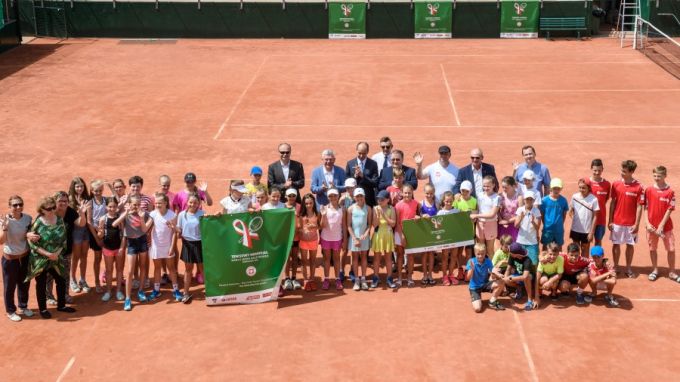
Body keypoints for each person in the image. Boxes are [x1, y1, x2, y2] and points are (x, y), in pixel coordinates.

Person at [28, 196, 76, 319]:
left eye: (53, 207)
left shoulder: (59, 220)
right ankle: (43, 309)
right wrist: (48, 254)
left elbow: (64, 239)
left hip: (56, 257)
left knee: (61, 280)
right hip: (41, 259)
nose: (52, 210)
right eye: (48, 208)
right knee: (41, 283)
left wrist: (57, 253)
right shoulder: (38, 222)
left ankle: (61, 306)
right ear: (42, 210)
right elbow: (32, 243)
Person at [116, 195, 152, 311]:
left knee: (142, 267)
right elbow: (115, 224)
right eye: (134, 204)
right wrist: (125, 213)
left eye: (138, 204)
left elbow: (145, 230)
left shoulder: (145, 215)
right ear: (130, 204)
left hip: (142, 242)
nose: (136, 207)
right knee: (130, 271)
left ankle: (141, 291)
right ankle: (127, 298)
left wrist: (141, 218)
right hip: (131, 243)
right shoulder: (126, 215)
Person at [608, 160, 644, 278]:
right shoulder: (616, 184)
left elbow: (639, 206)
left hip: (631, 223)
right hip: (617, 221)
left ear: (631, 172)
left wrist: (637, 224)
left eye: (624, 171)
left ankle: (628, 268)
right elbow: (613, 203)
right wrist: (610, 220)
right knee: (616, 244)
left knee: (630, 245)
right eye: (621, 170)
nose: (621, 173)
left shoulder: (638, 187)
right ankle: (616, 266)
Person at [0, 195, 33, 321]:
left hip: (25, 257)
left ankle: (23, 306)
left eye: (20, 204)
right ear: (9, 207)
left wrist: (29, 235)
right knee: (10, 286)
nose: (18, 207)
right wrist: (5, 228)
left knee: (24, 283)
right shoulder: (3, 221)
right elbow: (1, 241)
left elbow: (30, 235)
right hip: (10, 259)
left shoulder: (28, 219)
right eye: (15, 205)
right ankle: (10, 311)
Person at [643, 166, 676, 282]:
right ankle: (655, 270)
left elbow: (669, 210)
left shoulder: (670, 192)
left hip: (666, 227)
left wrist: (661, 226)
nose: (656, 178)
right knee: (653, 249)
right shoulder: (648, 190)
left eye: (659, 176)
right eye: (655, 176)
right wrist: (647, 223)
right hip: (651, 227)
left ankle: (672, 272)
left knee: (671, 249)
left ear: (665, 176)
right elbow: (645, 207)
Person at [148, 193, 180, 301]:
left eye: (159, 203)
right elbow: (148, 229)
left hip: (168, 246)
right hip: (156, 246)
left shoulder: (172, 215)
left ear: (166, 203)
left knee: (171, 268)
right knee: (157, 268)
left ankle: (176, 290)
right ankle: (156, 290)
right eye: (156, 203)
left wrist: (172, 247)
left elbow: (175, 232)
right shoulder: (152, 214)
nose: (157, 205)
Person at [176, 194, 205, 304]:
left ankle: (210, 291)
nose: (193, 204)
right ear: (187, 202)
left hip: (199, 244)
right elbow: (179, 229)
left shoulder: (202, 214)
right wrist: (174, 228)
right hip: (187, 244)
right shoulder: (182, 215)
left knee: (202, 269)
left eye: (195, 203)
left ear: (199, 204)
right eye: (190, 202)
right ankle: (186, 293)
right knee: (188, 270)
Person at [96, 198, 125, 302]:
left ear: (117, 207)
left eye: (114, 206)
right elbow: (100, 235)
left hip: (118, 248)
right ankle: (108, 291)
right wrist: (100, 233)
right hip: (107, 248)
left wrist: (122, 247)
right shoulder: (103, 219)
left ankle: (118, 291)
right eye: (110, 206)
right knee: (108, 271)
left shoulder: (120, 218)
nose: (112, 209)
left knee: (119, 269)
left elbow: (123, 235)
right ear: (106, 207)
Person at [466, 243, 506, 312]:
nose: (480, 256)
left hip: (485, 284)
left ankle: (492, 301)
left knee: (501, 282)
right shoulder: (471, 261)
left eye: (482, 254)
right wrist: (472, 269)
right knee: (477, 309)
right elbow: (468, 278)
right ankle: (476, 297)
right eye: (478, 254)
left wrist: (498, 274)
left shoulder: (488, 261)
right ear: (475, 253)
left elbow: (492, 270)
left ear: (485, 253)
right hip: (474, 287)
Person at [68, 176, 91, 294]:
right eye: (77, 186)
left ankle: (83, 280)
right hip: (76, 231)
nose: (80, 188)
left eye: (81, 186)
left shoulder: (87, 198)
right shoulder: (69, 200)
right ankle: (72, 280)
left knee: (84, 256)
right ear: (73, 187)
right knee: (75, 257)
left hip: (86, 230)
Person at [319, 189, 346, 290]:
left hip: (337, 238)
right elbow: (321, 226)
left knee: (336, 259)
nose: (333, 197)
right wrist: (323, 215)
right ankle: (326, 279)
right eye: (331, 196)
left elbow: (343, 225)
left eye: (335, 195)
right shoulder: (324, 208)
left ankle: (338, 279)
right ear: (328, 197)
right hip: (326, 238)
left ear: (338, 196)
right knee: (326, 259)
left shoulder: (342, 209)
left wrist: (345, 240)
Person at [395, 184, 420, 287]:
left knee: (410, 256)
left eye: (409, 193)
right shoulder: (398, 205)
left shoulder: (416, 204)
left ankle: (409, 277)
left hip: (412, 233)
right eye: (405, 193)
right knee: (400, 255)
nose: (407, 195)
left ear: (412, 193)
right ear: (402, 193)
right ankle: (400, 278)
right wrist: (402, 236)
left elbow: (419, 216)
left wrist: (418, 217)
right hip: (400, 233)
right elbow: (397, 222)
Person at [348, 188, 373, 290]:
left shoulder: (368, 209)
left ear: (364, 196)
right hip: (354, 238)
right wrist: (354, 238)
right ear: (354, 197)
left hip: (364, 238)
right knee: (354, 259)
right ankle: (357, 280)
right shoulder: (350, 209)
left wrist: (365, 234)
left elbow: (369, 224)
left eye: (361, 196)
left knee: (364, 258)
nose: (359, 198)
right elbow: (348, 225)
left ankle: (363, 279)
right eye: (357, 196)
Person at [453, 180, 477, 281]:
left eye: (466, 191)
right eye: (462, 190)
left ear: (470, 191)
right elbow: (453, 215)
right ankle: (459, 269)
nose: (464, 192)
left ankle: (468, 270)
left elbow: (475, 217)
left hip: (469, 231)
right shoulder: (457, 200)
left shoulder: (474, 201)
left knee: (468, 253)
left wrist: (471, 216)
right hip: (459, 231)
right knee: (458, 252)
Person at [371, 190, 396, 288]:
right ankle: (375, 277)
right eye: (378, 199)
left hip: (388, 235)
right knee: (377, 258)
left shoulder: (391, 209)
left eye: (382, 199)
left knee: (388, 258)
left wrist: (383, 215)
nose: (379, 201)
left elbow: (393, 223)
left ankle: (389, 278)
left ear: (387, 200)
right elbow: (374, 224)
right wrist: (377, 215)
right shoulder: (375, 209)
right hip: (378, 235)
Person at [87, 180, 109, 293]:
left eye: (100, 190)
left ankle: (105, 274)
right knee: (97, 258)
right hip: (95, 234)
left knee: (109, 257)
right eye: (96, 191)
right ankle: (97, 282)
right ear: (92, 191)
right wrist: (97, 237)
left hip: (107, 232)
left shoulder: (107, 200)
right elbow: (89, 222)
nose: (98, 193)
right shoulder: (90, 203)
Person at [470, 176, 501, 255]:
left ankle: (491, 267)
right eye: (484, 186)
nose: (486, 188)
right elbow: (477, 208)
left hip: (491, 224)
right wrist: (474, 216)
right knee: (480, 249)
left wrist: (476, 216)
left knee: (490, 250)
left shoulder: (497, 198)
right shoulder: (479, 195)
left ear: (493, 185)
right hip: (479, 224)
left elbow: (492, 214)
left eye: (488, 186)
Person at [569, 178, 600, 257]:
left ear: (589, 188)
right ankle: (576, 266)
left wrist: (591, 232)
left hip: (586, 230)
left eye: (583, 188)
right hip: (575, 228)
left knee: (585, 249)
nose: (581, 189)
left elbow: (595, 216)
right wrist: (571, 211)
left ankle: (584, 267)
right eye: (580, 187)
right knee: (575, 249)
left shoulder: (594, 199)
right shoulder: (574, 197)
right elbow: (571, 209)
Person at [504, 243, 536, 311]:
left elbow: (524, 276)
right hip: (518, 276)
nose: (509, 252)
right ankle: (519, 288)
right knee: (506, 280)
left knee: (527, 278)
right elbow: (508, 269)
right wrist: (505, 278)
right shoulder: (512, 256)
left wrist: (510, 278)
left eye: (511, 252)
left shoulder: (527, 260)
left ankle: (529, 300)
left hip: (528, 277)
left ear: (516, 254)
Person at [346, 142, 379, 206]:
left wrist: (363, 176)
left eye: (364, 153)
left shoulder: (373, 164)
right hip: (353, 199)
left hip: (368, 199)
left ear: (368, 151)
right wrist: (355, 176)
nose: (361, 156)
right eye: (359, 153)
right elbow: (347, 182)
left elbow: (375, 183)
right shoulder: (350, 163)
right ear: (356, 150)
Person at [540, 178, 569, 251]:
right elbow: (542, 215)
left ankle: (558, 261)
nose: (556, 190)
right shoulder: (544, 200)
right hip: (547, 230)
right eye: (554, 188)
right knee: (545, 247)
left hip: (559, 230)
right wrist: (547, 224)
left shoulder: (563, 200)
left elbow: (564, 215)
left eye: (558, 188)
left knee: (559, 247)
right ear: (551, 188)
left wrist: (559, 224)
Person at [586, 159, 611, 246]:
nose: (597, 173)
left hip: (600, 219)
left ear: (602, 169)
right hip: (587, 219)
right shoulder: (586, 182)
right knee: (586, 243)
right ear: (591, 169)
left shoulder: (607, 184)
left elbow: (605, 199)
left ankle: (597, 260)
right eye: (595, 170)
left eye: (599, 170)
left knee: (598, 242)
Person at [298, 193, 320, 291]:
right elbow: (298, 228)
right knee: (304, 261)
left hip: (314, 240)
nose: (309, 205)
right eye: (306, 203)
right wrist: (303, 230)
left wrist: (314, 227)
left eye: (310, 203)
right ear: (304, 204)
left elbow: (320, 226)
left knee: (312, 260)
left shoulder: (317, 214)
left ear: (314, 203)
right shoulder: (301, 215)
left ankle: (312, 279)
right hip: (303, 241)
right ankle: (306, 280)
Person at [282, 189, 302, 292]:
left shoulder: (299, 206)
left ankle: (294, 278)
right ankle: (286, 279)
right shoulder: (282, 206)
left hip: (296, 237)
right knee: (287, 260)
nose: (292, 197)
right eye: (290, 195)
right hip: (286, 238)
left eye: (294, 195)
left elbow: (301, 221)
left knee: (294, 258)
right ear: (286, 196)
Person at [515, 191, 542, 266]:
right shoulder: (520, 210)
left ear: (533, 200)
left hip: (532, 242)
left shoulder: (537, 211)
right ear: (524, 200)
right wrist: (521, 218)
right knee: (519, 264)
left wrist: (533, 222)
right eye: (527, 199)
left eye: (531, 199)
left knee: (533, 263)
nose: (529, 201)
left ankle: (534, 277)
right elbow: (516, 225)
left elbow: (537, 228)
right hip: (521, 241)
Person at [438, 191, 459, 286]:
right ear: (443, 201)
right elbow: (438, 226)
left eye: (450, 201)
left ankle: (451, 275)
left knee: (454, 257)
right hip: (445, 238)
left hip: (455, 237)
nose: (449, 203)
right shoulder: (440, 213)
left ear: (453, 201)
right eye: (447, 201)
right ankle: (444, 276)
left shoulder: (457, 211)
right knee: (445, 257)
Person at [419, 184, 438, 285]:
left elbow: (440, 216)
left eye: (431, 193)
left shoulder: (437, 203)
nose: (429, 195)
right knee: (424, 254)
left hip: (434, 232)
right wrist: (422, 216)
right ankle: (424, 275)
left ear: (434, 193)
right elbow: (417, 216)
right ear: (424, 192)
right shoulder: (420, 203)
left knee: (431, 254)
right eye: (427, 193)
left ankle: (430, 274)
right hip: (424, 232)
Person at [339, 178, 356, 282]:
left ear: (355, 187)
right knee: (344, 250)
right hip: (345, 228)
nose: (350, 189)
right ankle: (341, 270)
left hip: (355, 228)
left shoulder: (359, 197)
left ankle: (352, 271)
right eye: (348, 188)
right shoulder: (342, 199)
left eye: (352, 187)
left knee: (354, 251)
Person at [498, 176, 522, 241]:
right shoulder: (500, 196)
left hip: (514, 225)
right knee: (503, 245)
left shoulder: (519, 197)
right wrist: (500, 220)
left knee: (513, 246)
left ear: (513, 186)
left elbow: (520, 214)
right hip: (503, 225)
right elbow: (497, 211)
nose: (504, 189)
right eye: (503, 187)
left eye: (506, 187)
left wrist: (508, 221)